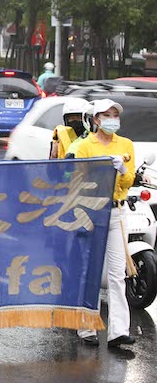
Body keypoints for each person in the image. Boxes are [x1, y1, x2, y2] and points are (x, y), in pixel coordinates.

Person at [73, 98, 135, 348]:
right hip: (90, 212)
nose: (112, 119)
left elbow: (127, 183)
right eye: (106, 115)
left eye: (115, 115)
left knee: (117, 274)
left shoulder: (126, 144)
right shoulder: (84, 147)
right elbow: (77, 178)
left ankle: (119, 331)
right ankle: (87, 327)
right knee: (90, 272)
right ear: (96, 119)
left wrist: (122, 170)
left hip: (116, 213)